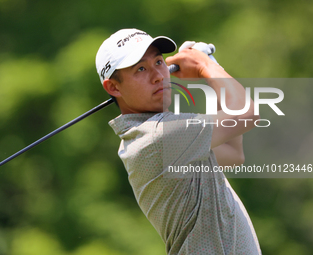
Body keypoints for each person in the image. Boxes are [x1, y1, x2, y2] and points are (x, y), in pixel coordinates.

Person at [95, 28, 262, 255]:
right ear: (113, 87)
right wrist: (205, 67)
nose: (158, 75)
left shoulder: (163, 137)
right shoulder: (157, 136)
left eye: (159, 62)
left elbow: (233, 153)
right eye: (141, 69)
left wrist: (211, 69)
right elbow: (247, 114)